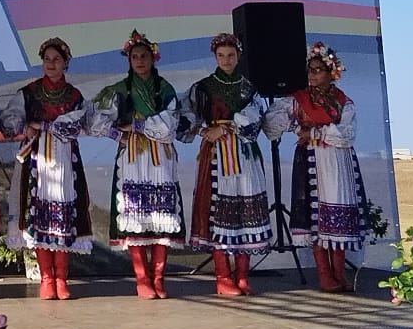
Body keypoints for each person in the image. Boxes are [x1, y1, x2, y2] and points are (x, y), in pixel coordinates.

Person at [0, 37, 93, 300]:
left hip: (65, 162)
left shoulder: (74, 96)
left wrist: (54, 126)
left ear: (65, 63)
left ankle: (61, 278)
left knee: (64, 217)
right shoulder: (29, 92)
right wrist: (23, 125)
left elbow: (86, 122)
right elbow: (10, 118)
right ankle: (47, 278)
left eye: (56, 59)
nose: (51, 64)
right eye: (47, 59)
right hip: (36, 160)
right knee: (38, 216)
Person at [267, 42, 366, 293]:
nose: (312, 74)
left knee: (338, 215)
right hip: (311, 160)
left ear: (331, 72)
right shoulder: (299, 99)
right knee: (316, 216)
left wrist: (313, 131)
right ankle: (324, 275)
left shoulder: (343, 101)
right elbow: (272, 123)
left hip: (339, 162)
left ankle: (339, 273)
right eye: (310, 70)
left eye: (318, 70)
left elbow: (345, 135)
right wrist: (295, 127)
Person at [182, 33, 277, 297]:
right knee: (217, 211)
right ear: (215, 57)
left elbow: (256, 119)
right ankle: (223, 277)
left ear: (238, 56)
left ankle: (243, 276)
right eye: (221, 55)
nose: (226, 60)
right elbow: (186, 117)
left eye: (231, 55)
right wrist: (204, 131)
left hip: (244, 154)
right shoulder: (203, 87)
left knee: (245, 211)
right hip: (215, 155)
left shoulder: (249, 88)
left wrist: (227, 128)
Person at [92, 30, 184, 300]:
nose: (140, 61)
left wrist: (136, 125)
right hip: (132, 157)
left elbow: (170, 125)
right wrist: (117, 134)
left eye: (144, 56)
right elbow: (96, 121)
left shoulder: (165, 89)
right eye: (135, 57)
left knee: (162, 217)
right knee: (135, 216)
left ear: (153, 59)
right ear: (129, 60)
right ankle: (142, 278)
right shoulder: (119, 90)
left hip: (161, 158)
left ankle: (158, 278)